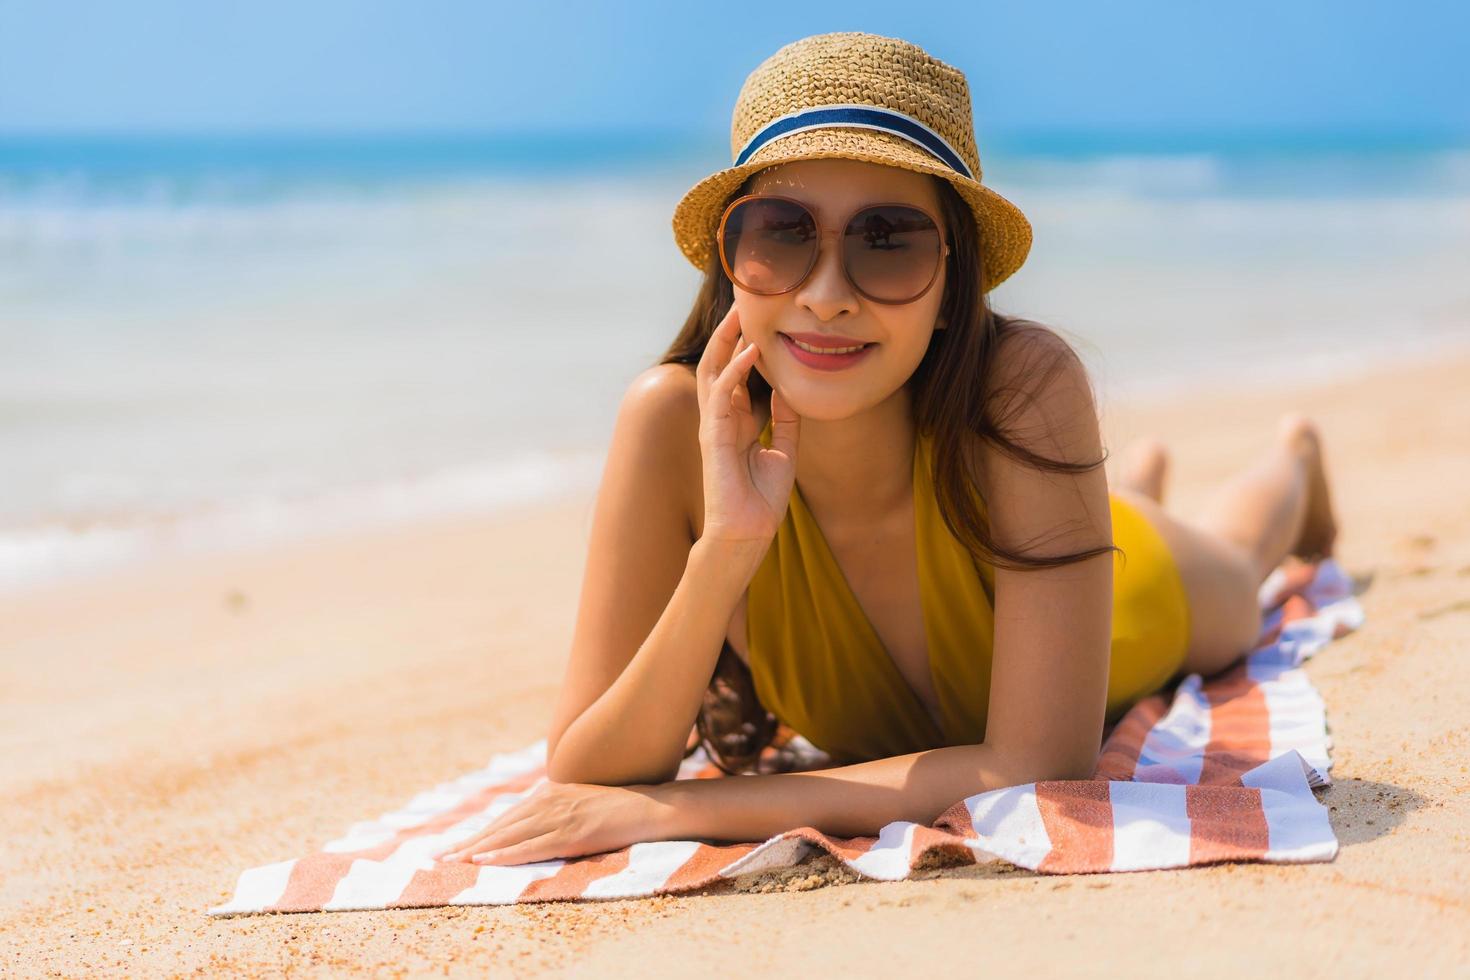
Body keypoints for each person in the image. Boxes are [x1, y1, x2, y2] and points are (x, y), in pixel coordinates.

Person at [434, 32, 1338, 868]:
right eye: (783, 233)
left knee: (1239, 563)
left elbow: (1041, 764)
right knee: (1127, 505)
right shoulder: (671, 422)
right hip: (1041, 535)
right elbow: (590, 764)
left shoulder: (1020, 386)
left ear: (953, 284)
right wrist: (726, 554)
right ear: (730, 260)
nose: (826, 296)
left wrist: (679, 811)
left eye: (889, 241)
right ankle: (1129, 479)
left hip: (1141, 592)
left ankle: (1292, 458)